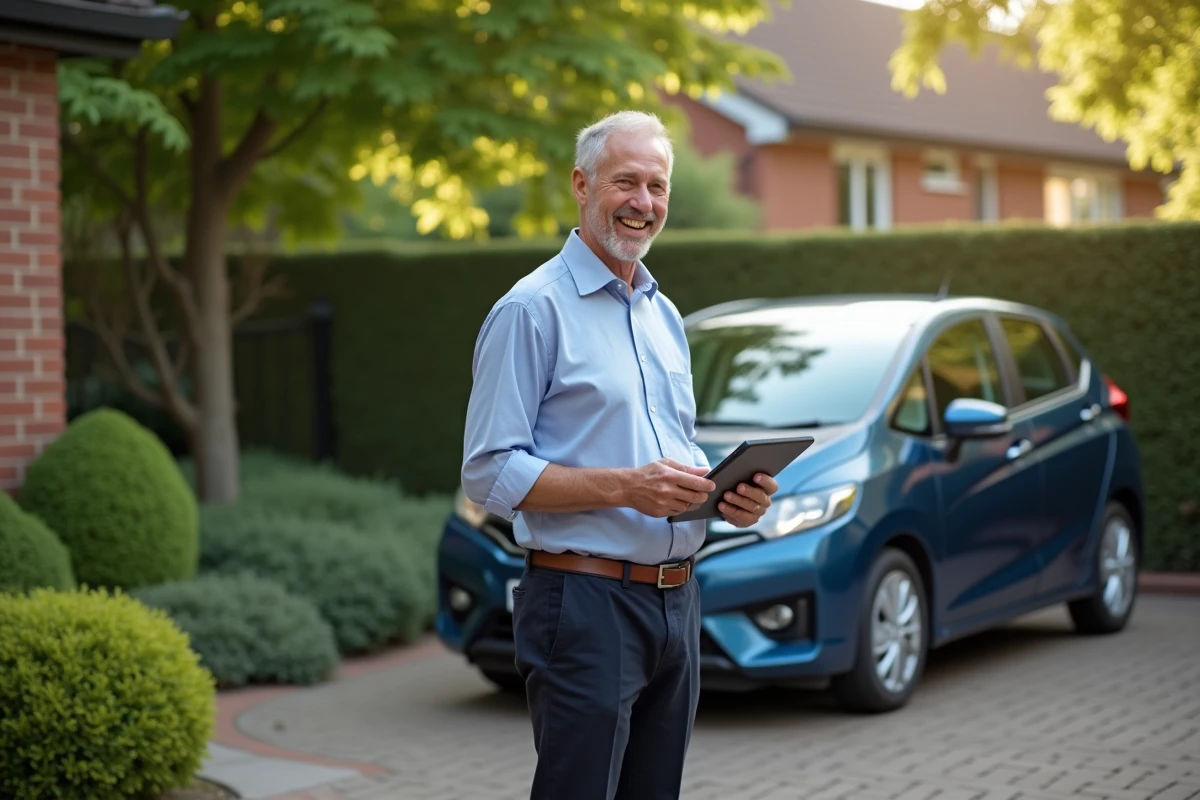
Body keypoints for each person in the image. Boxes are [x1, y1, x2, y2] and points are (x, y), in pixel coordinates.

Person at [461, 110, 778, 800]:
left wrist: (726, 497)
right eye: (626, 182)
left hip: (677, 603)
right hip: (583, 602)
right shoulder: (530, 310)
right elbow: (487, 471)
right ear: (582, 184)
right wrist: (625, 488)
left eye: (657, 187)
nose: (644, 203)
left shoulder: (663, 315)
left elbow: (670, 454)